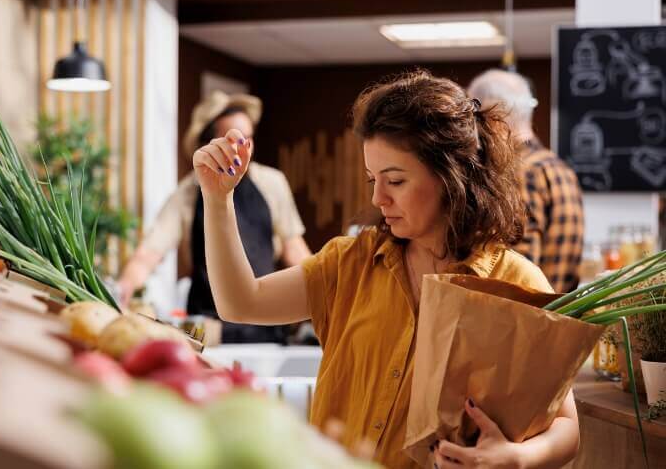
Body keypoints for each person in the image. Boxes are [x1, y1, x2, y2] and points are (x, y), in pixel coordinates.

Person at [193, 70, 580, 468]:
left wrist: (515, 458)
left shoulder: (515, 283)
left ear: (452, 177)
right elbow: (239, 302)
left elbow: (568, 428)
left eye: (395, 180)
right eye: (372, 179)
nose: (378, 198)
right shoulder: (349, 263)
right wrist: (217, 198)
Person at [118, 90, 311, 343]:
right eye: (232, 141)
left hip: (267, 325)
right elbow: (147, 256)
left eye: (248, 139)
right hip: (210, 330)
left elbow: (294, 250)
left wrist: (328, 296)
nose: (244, 149)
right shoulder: (187, 194)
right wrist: (119, 296)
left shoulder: (272, 183)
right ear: (210, 142)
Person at [468, 69, 584, 293]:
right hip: (558, 314)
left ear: (493, 115)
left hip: (529, 318)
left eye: (473, 118)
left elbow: (515, 272)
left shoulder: (516, 173)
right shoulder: (559, 167)